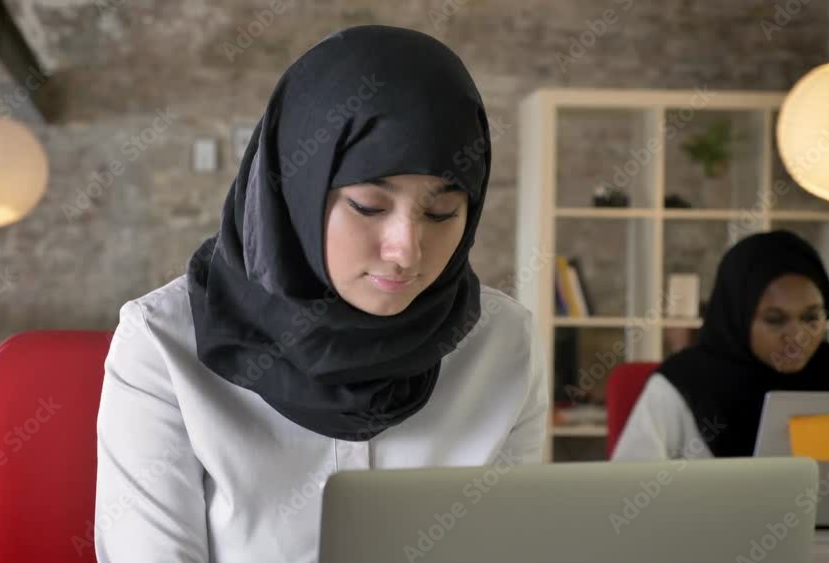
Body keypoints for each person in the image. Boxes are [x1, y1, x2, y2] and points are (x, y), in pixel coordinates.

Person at [93, 25, 549, 562]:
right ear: (294, 190)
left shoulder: (504, 345)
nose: (407, 249)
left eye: (442, 212)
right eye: (369, 206)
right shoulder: (162, 346)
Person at [611, 230, 829, 461]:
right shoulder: (683, 384)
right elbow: (627, 489)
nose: (798, 336)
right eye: (775, 320)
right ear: (736, 318)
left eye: (811, 318)